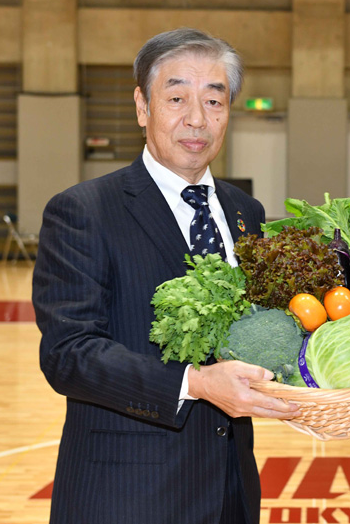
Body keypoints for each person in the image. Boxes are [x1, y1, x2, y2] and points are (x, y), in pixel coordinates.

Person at [33, 28, 297, 524]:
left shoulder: (247, 212)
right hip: (127, 494)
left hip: (230, 491)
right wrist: (193, 383)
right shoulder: (84, 211)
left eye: (214, 101)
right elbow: (68, 355)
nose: (196, 119)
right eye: (177, 98)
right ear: (142, 107)